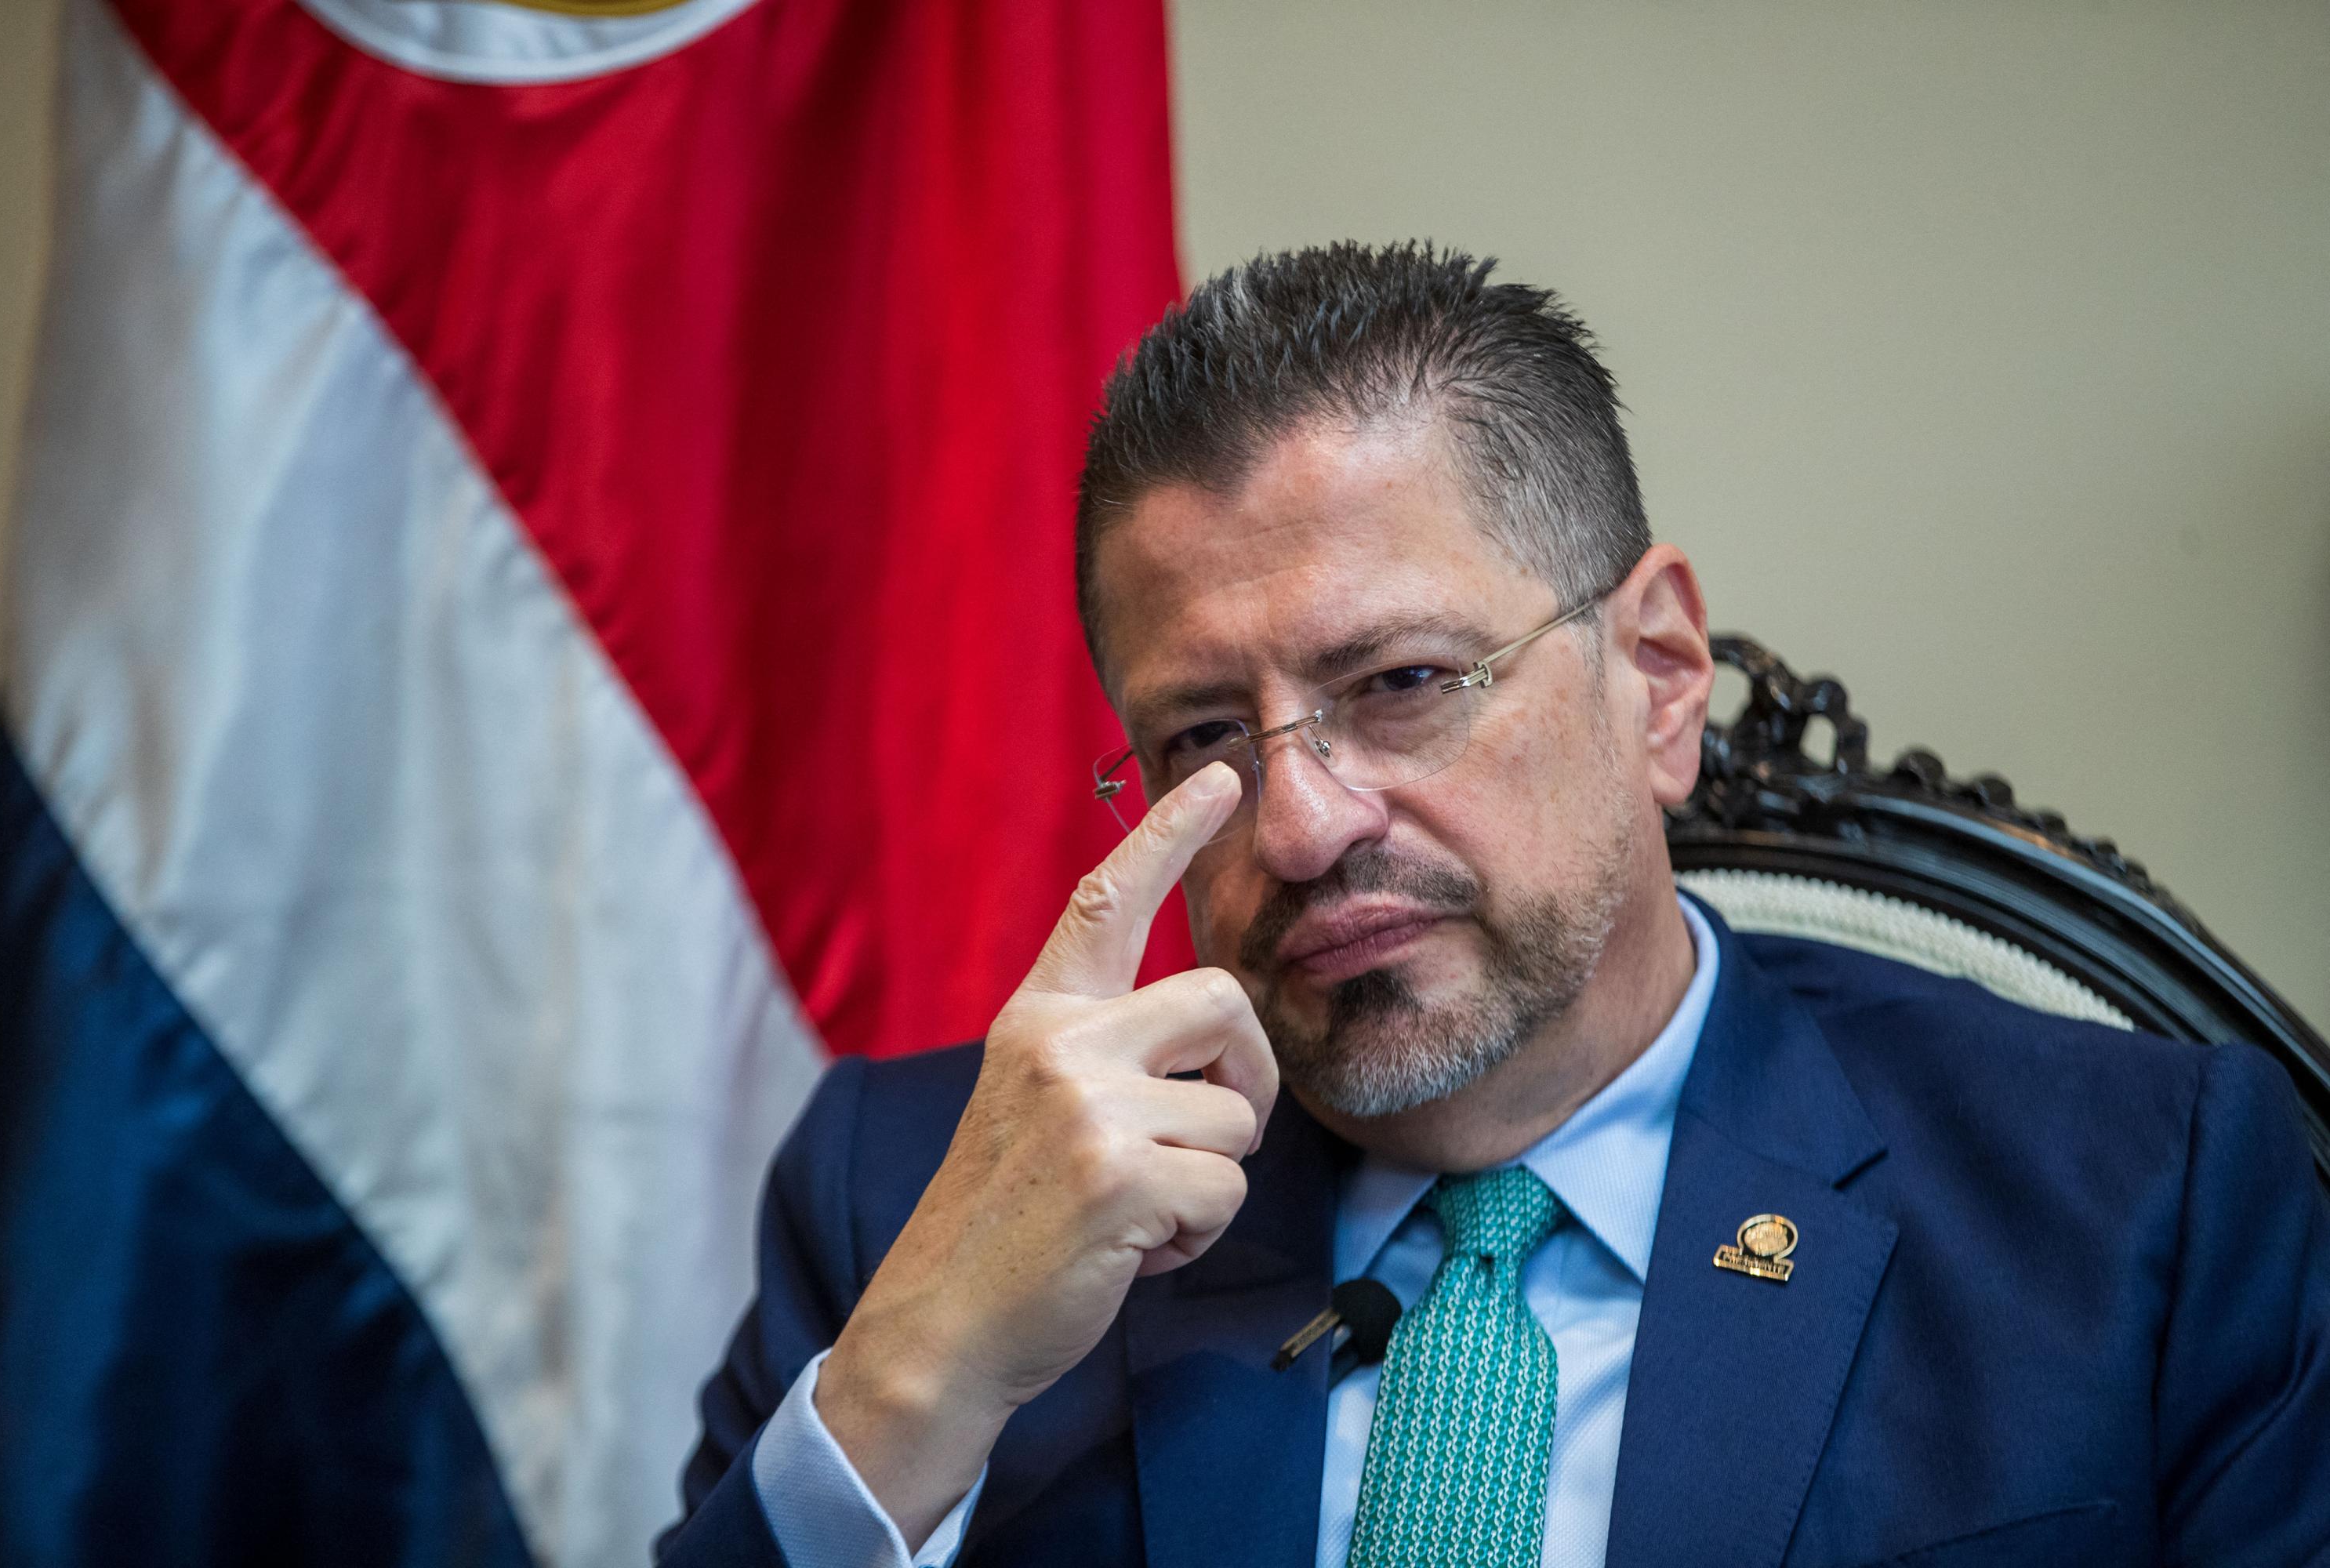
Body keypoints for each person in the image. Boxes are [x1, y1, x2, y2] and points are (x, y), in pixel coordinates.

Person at [657, 243, 2330, 1567]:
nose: (1301, 823)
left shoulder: (2142, 1205)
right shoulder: (913, 1195)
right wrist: (913, 1385)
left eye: (1400, 681)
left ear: (1660, 677)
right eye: (1200, 737)